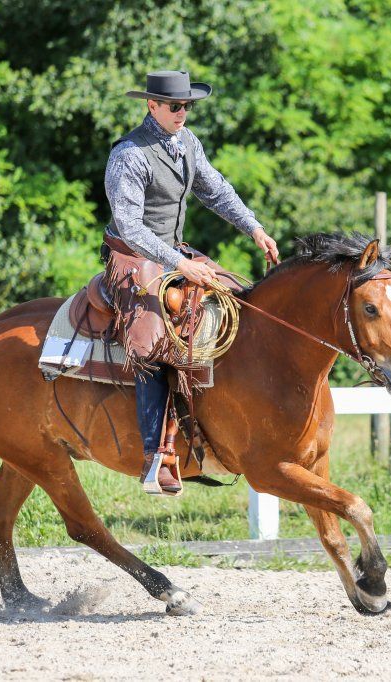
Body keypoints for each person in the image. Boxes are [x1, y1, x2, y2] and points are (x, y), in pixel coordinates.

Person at [103, 70, 280, 493]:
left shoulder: (188, 142)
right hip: (131, 256)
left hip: (174, 253)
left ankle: (212, 429)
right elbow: (129, 226)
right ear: (152, 105)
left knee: (237, 299)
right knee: (151, 342)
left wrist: (254, 228)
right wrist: (180, 266)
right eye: (175, 106)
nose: (183, 113)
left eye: (188, 106)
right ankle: (155, 457)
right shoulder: (129, 154)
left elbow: (215, 189)